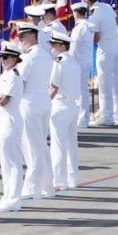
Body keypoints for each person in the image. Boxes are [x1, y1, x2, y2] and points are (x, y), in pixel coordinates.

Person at [13, 19, 53, 199]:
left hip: (29, 101)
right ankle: (47, 184)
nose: (19, 39)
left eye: (22, 36)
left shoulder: (29, 56)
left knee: (31, 146)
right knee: (40, 145)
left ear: (31, 36)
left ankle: (32, 187)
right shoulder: (45, 55)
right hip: (43, 100)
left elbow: (20, 80)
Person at [0, 40, 26, 211]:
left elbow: (3, 100)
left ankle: (14, 199)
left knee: (13, 161)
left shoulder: (14, 76)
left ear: (15, 58)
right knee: (5, 161)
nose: (2, 60)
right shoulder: (4, 75)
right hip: (2, 120)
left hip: (10, 119)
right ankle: (7, 195)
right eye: (1, 57)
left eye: (6, 57)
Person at [47, 28, 82, 192]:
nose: (51, 48)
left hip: (60, 104)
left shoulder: (58, 62)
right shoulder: (73, 61)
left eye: (54, 44)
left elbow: (54, 86)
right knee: (71, 143)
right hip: (73, 105)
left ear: (62, 45)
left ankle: (59, 180)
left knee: (58, 144)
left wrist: (46, 104)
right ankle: (73, 178)